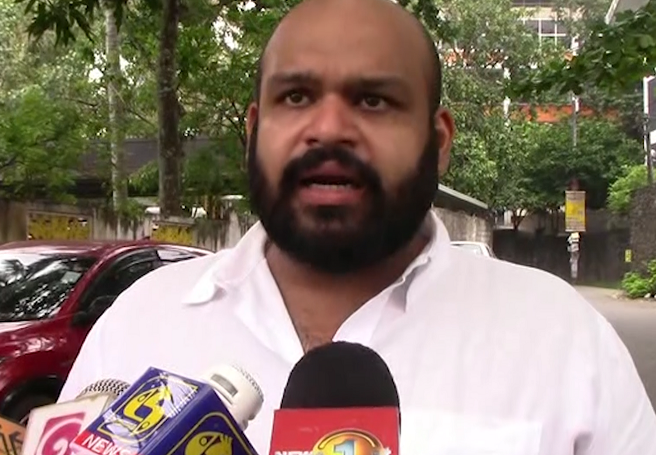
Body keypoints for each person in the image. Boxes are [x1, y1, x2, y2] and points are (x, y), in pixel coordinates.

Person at [59, 0, 656, 452]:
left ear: (438, 141)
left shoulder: (561, 340)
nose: (328, 129)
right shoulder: (138, 326)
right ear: (254, 130)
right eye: (296, 97)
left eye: (373, 101)